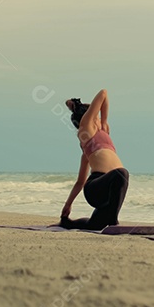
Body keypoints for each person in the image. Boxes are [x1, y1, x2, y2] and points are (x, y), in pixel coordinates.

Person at [56, 89, 130, 230]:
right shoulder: (86, 127)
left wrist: (68, 205)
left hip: (110, 188)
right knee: (122, 173)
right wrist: (73, 105)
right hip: (95, 188)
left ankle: (69, 223)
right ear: (88, 116)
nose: (98, 116)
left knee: (95, 225)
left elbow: (79, 182)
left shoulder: (100, 134)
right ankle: (113, 222)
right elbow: (103, 93)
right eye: (95, 114)